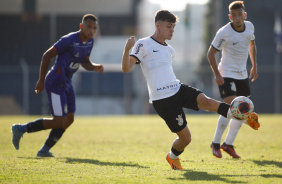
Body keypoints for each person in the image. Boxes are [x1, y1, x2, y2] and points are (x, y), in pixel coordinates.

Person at [122, 10, 260, 170]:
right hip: (162, 99)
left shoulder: (169, 49)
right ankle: (172, 156)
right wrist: (126, 50)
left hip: (177, 88)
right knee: (186, 138)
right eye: (169, 27)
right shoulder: (143, 44)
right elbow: (126, 68)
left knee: (208, 102)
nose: (172, 30)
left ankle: (244, 117)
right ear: (158, 26)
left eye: (173, 27)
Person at [11, 14, 104, 157]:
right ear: (81, 26)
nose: (91, 31)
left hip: (67, 82)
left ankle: (44, 150)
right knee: (59, 121)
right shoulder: (69, 40)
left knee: (69, 120)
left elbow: (85, 61)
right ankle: (21, 129)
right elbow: (47, 55)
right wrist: (41, 80)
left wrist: (95, 66)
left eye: (94, 28)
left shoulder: (90, 42)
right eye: (88, 27)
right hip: (55, 82)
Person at [207, 1, 259, 159]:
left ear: (245, 15)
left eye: (240, 15)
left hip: (242, 74)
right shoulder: (224, 32)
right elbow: (210, 53)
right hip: (226, 74)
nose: (237, 18)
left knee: (242, 109)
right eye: (234, 15)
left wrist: (254, 66)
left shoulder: (249, 27)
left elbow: (252, 45)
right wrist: (217, 74)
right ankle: (215, 143)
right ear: (230, 17)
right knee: (234, 107)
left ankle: (228, 144)